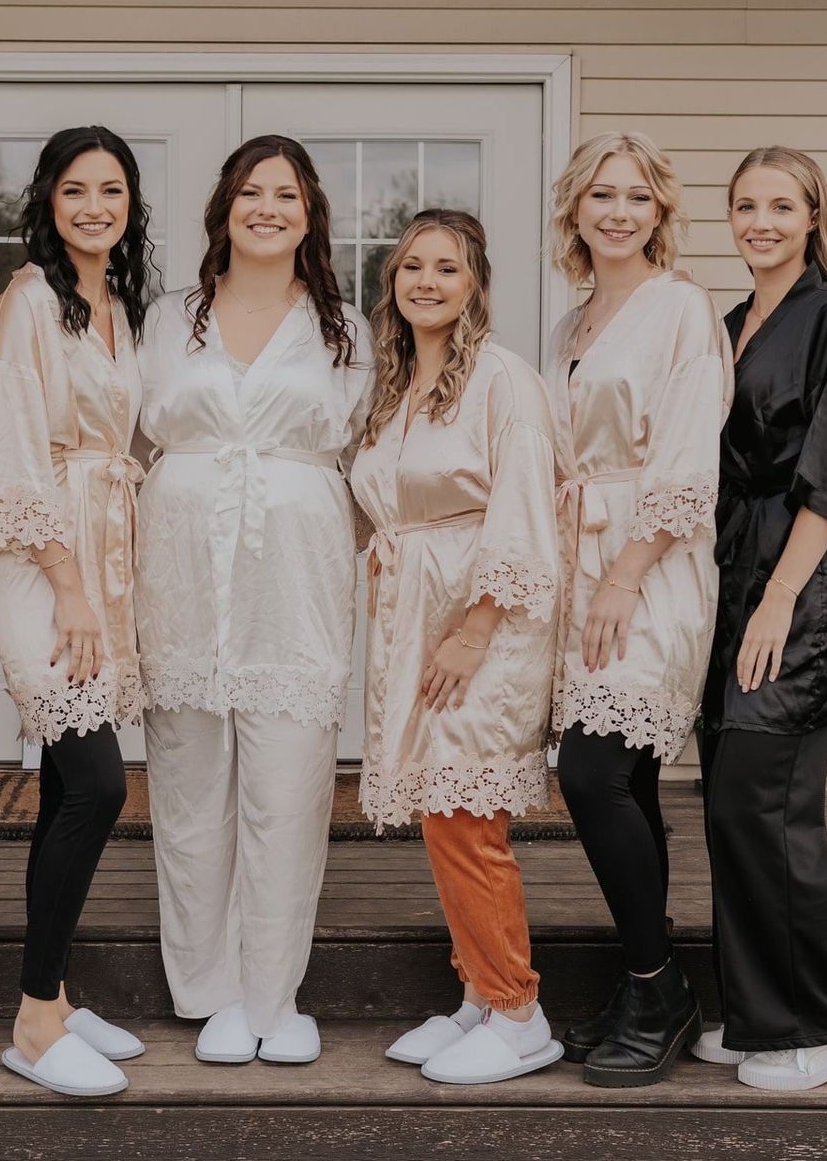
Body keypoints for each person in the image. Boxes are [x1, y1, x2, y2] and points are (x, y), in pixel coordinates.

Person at [136, 135, 373, 1067]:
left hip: (296, 566)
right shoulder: (166, 317)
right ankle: (210, 990)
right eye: (249, 192)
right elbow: (125, 441)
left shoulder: (344, 326)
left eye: (285, 194)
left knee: (288, 779)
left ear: (310, 213)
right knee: (191, 783)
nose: (266, 208)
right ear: (224, 209)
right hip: (183, 562)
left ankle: (274, 992)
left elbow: (373, 455)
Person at [349, 210, 564, 1085]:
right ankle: (478, 994)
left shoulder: (503, 379)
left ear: (475, 284)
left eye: (446, 268)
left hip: (482, 616)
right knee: (441, 814)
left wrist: (475, 629)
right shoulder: (393, 385)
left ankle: (520, 1011)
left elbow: (522, 509)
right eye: (410, 267)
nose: (425, 281)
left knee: (468, 817)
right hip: (411, 613)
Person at [545, 132, 732, 1088]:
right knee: (634, 784)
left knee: (592, 775)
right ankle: (645, 985)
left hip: (650, 564)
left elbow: (688, 463)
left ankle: (659, 983)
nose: (619, 212)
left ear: (661, 214)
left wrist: (625, 573)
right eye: (601, 196)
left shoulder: (681, 309)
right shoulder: (574, 322)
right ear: (574, 208)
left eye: (638, 199)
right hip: (584, 564)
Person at [694, 146, 827, 1092]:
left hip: (798, 588)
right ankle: (754, 1012)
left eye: (779, 205)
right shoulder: (727, 323)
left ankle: (826, 1023)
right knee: (728, 806)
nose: (759, 221)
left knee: (767, 806)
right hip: (724, 579)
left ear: (812, 217)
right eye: (743, 206)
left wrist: (777, 599)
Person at [0, 126, 153, 1098]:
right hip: (46, 558)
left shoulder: (115, 303)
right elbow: (14, 454)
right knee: (94, 782)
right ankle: (35, 1020)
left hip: (105, 550)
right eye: (76, 189)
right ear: (46, 199)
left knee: (63, 786)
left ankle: (57, 992)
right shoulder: (31, 300)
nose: (95, 205)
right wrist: (71, 581)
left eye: (113, 189)